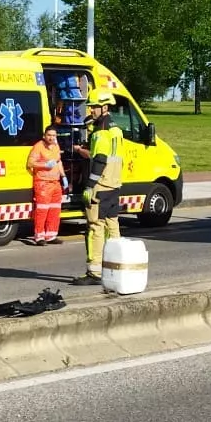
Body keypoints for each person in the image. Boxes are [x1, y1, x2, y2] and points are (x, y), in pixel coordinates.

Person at [74, 90, 124, 286]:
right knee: (113, 227)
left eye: (94, 107)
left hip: (100, 186)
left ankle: (94, 271)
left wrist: (89, 185)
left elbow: (100, 159)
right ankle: (117, 265)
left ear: (104, 107)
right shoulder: (116, 129)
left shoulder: (101, 133)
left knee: (95, 227)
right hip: (114, 185)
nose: (91, 110)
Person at [26, 125, 65, 245]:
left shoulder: (56, 146)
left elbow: (58, 162)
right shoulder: (38, 147)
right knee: (42, 210)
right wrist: (45, 165)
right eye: (49, 135)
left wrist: (63, 176)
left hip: (55, 182)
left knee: (55, 209)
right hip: (43, 183)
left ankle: (51, 235)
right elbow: (30, 163)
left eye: (53, 135)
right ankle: (39, 236)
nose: (51, 137)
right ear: (44, 136)